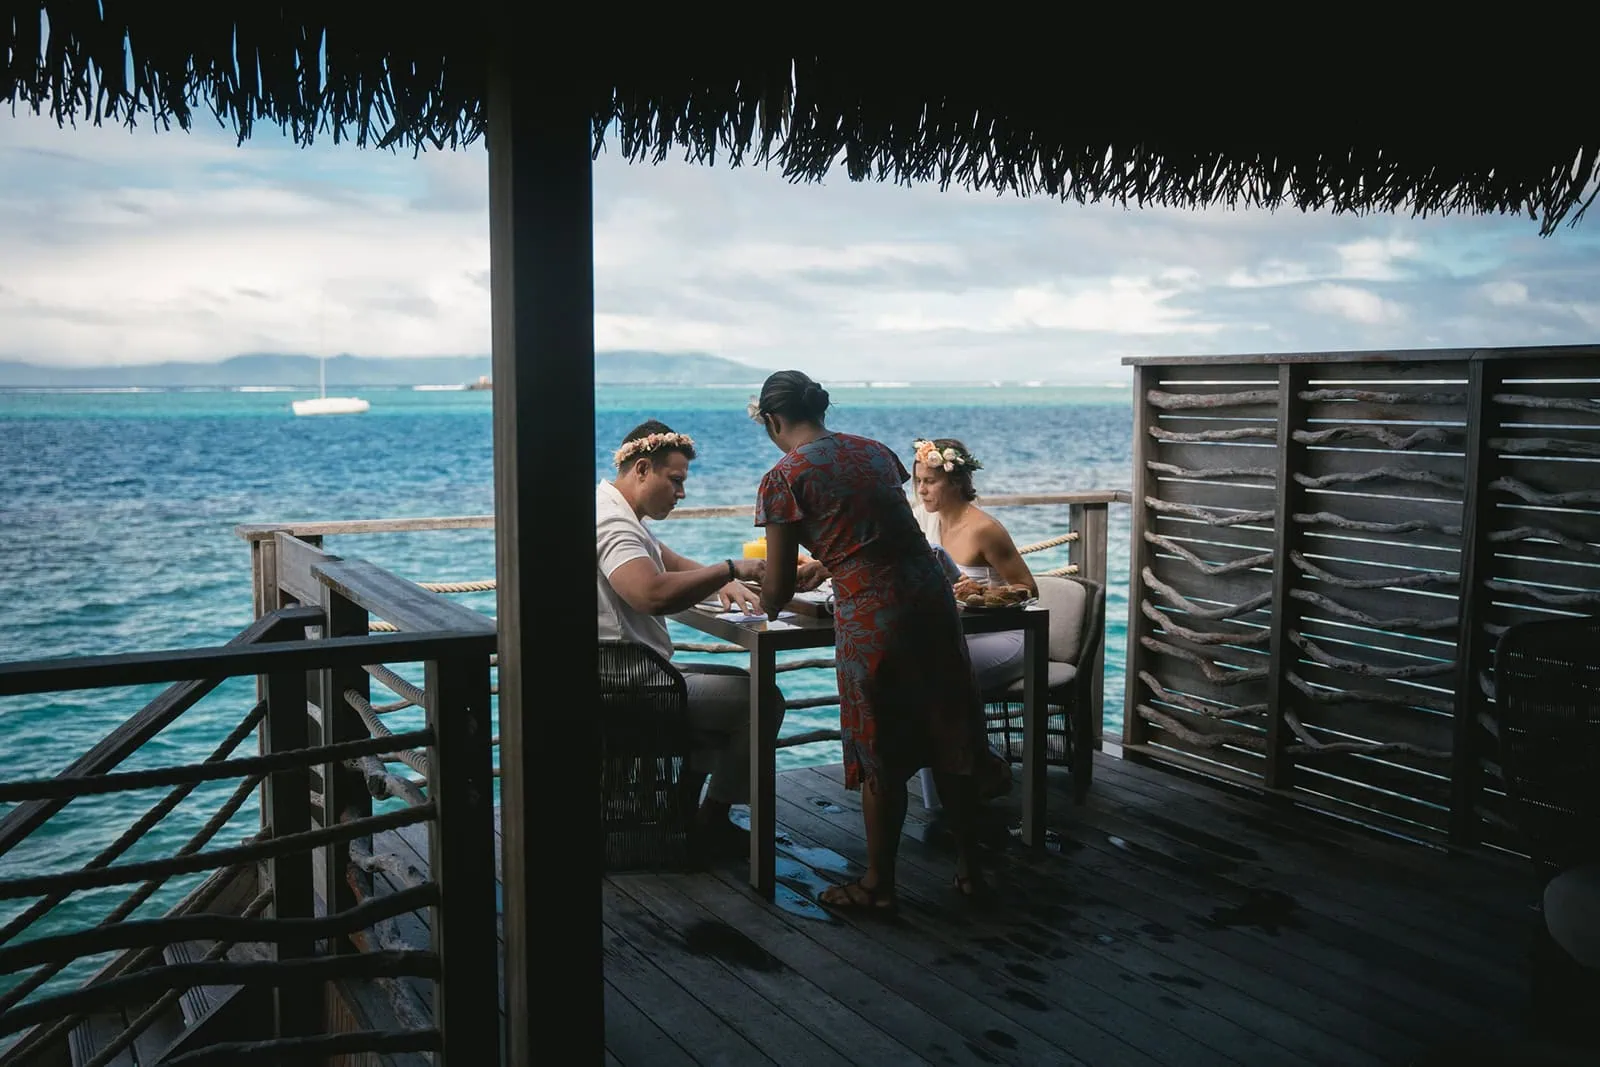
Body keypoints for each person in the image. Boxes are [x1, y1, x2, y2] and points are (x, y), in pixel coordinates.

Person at [750, 371, 991, 913]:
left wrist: (761, 594)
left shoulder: (782, 478)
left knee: (881, 744)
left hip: (873, 615)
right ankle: (972, 872)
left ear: (771, 421)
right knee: (948, 731)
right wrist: (830, 559)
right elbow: (873, 529)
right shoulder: (877, 453)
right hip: (931, 598)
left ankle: (879, 884)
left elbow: (778, 587)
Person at [596, 419, 785, 858]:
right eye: (676, 480)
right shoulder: (614, 525)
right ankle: (711, 819)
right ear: (642, 468)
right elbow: (650, 593)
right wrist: (729, 569)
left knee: (737, 685)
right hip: (628, 685)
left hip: (621, 673)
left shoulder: (612, 507)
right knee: (762, 701)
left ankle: (684, 808)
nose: (682, 494)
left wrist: (718, 581)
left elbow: (667, 560)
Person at [910, 437, 1037, 810]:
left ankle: (979, 768)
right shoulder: (923, 522)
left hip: (1004, 636)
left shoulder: (984, 529)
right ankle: (960, 786)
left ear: (956, 481)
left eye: (930, 481)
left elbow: (1029, 589)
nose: (921, 489)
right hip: (956, 637)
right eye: (917, 480)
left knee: (933, 681)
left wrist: (983, 589)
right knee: (914, 675)